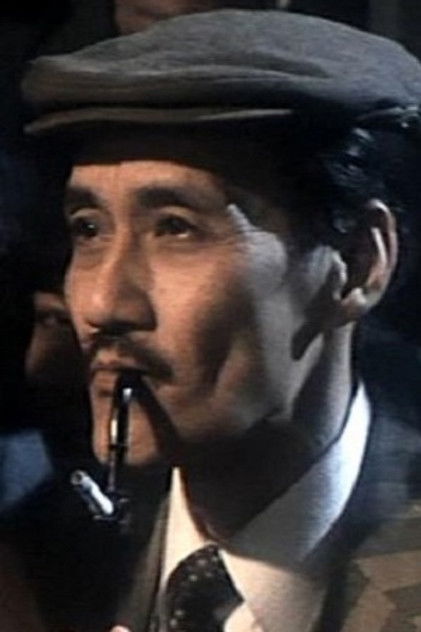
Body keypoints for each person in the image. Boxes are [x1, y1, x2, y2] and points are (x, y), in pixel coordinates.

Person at [23, 9, 421, 631]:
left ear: (355, 264)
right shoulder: (37, 568)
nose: (102, 304)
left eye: (176, 228)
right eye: (89, 230)